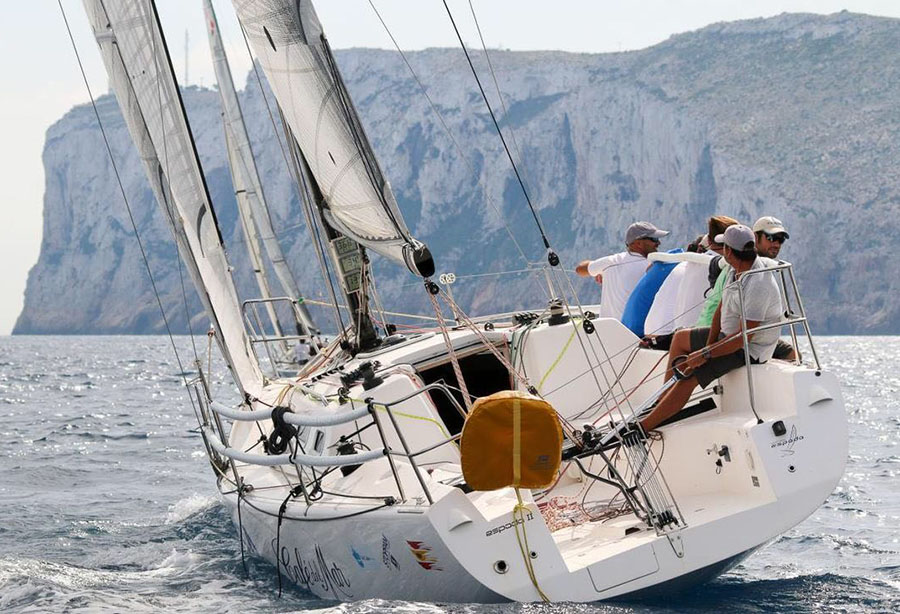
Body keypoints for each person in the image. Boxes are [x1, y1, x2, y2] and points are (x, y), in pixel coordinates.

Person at [640, 225, 784, 431]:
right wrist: (707, 346)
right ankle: (662, 402)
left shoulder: (759, 283)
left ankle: (644, 427)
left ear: (728, 251)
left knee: (689, 379)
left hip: (747, 349)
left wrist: (706, 355)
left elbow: (744, 337)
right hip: (728, 337)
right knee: (680, 338)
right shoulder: (736, 270)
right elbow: (720, 309)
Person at [576, 221, 669, 321]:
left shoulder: (611, 262)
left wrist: (601, 271)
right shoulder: (655, 266)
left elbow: (580, 269)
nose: (658, 243)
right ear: (638, 243)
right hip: (636, 332)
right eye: (654, 239)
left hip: (608, 331)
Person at [753, 216, 796, 361]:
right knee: (792, 356)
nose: (776, 244)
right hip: (751, 338)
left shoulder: (766, 266)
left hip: (762, 336)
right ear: (755, 237)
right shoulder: (750, 264)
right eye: (771, 238)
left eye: (781, 239)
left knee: (794, 356)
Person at [695, 215, 739, 327]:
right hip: (711, 328)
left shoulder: (690, 263)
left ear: (709, 240)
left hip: (698, 325)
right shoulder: (732, 268)